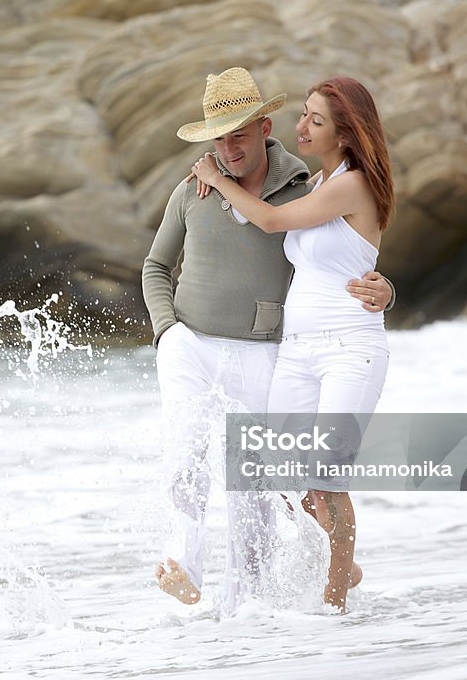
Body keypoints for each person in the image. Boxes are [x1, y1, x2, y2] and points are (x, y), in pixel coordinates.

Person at [142, 67, 393, 613]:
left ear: (263, 127)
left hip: (286, 350)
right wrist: (166, 333)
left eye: (240, 132)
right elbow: (156, 266)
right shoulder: (194, 190)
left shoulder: (305, 185)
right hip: (212, 343)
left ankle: (277, 599)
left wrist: (385, 288)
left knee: (270, 481)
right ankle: (185, 564)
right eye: (219, 136)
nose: (229, 146)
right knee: (198, 451)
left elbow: (337, 246)